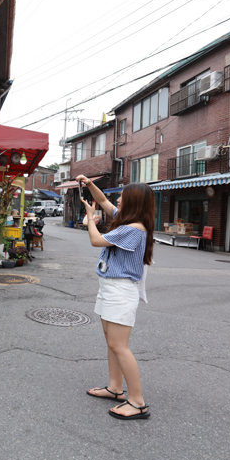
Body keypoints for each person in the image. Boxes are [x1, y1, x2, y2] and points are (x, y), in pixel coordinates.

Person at [76, 175, 154, 420]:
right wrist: (89, 184)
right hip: (110, 287)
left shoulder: (134, 229)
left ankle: (138, 402)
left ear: (133, 202)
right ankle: (115, 388)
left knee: (120, 346)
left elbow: (95, 239)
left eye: (122, 196)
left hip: (120, 290)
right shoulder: (127, 220)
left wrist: (90, 219)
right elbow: (102, 200)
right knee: (112, 342)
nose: (117, 199)